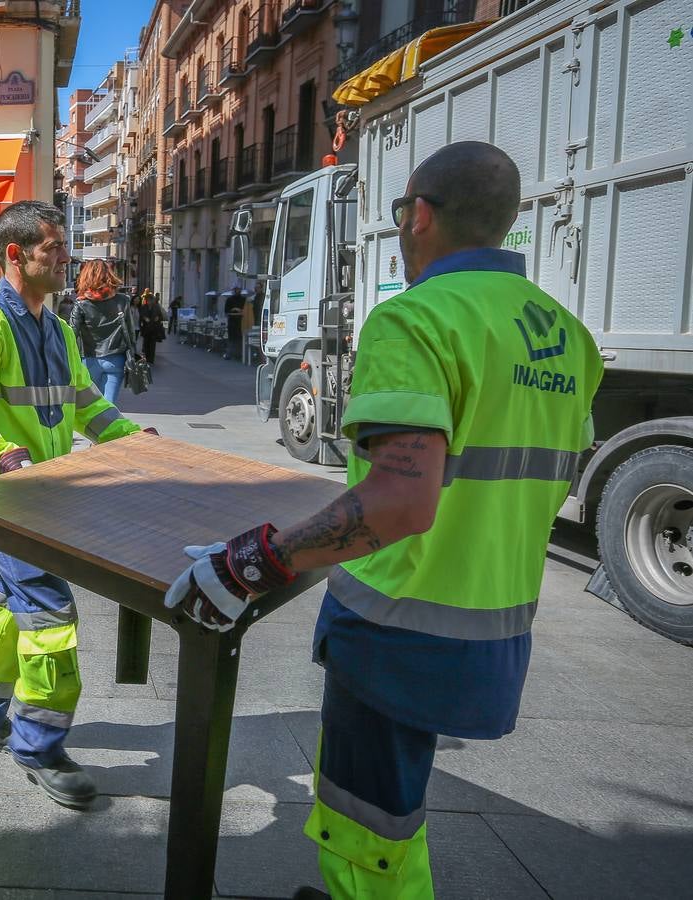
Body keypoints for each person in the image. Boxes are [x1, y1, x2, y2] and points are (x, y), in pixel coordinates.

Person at [164, 142, 603, 899]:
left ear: (419, 215)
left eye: (402, 213)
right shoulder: (567, 335)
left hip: (399, 623)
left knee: (366, 819)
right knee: (397, 804)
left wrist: (254, 561)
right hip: (493, 628)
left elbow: (401, 499)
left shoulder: (415, 320)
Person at [0, 200, 152, 810]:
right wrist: (10, 459)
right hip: (3, 498)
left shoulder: (58, 329)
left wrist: (137, 440)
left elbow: (87, 403)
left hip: (42, 498)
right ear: (15, 254)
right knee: (49, 616)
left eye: (62, 247)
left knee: (7, 605)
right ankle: (39, 746)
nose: (66, 257)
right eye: (53, 248)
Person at [69, 260, 136, 406]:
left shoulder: (81, 304)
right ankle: (110, 426)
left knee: (92, 407)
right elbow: (131, 332)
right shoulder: (123, 300)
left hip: (89, 359)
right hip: (115, 359)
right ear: (110, 275)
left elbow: (71, 334)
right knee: (109, 405)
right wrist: (133, 355)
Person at [138, 289, 166, 366]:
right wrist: (144, 319)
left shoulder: (156, 307)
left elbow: (161, 316)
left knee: (152, 344)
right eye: (148, 299)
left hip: (154, 328)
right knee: (146, 343)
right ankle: (146, 357)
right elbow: (141, 317)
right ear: (146, 300)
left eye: (151, 299)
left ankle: (151, 359)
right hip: (146, 328)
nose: (150, 301)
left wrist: (158, 318)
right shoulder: (143, 307)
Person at [223, 286, 246, 360]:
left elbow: (245, 312)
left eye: (239, 289)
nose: (237, 291)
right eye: (236, 289)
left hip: (240, 322)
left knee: (239, 339)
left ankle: (238, 354)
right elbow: (226, 313)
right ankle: (230, 354)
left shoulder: (243, 299)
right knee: (231, 339)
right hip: (232, 323)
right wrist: (236, 311)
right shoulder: (229, 300)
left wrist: (236, 311)